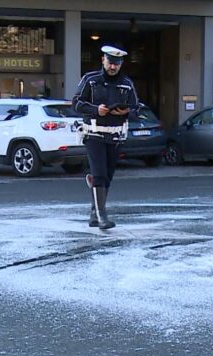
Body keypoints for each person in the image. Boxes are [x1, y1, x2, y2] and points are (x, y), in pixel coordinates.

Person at [72, 45, 139, 230]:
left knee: (107, 175)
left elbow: (137, 108)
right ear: (103, 60)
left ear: (121, 64)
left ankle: (95, 213)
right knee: (100, 172)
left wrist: (127, 111)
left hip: (116, 136)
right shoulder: (90, 79)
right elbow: (76, 103)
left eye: (116, 64)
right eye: (110, 62)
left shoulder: (126, 83)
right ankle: (102, 217)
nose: (113, 67)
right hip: (94, 134)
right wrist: (96, 110)